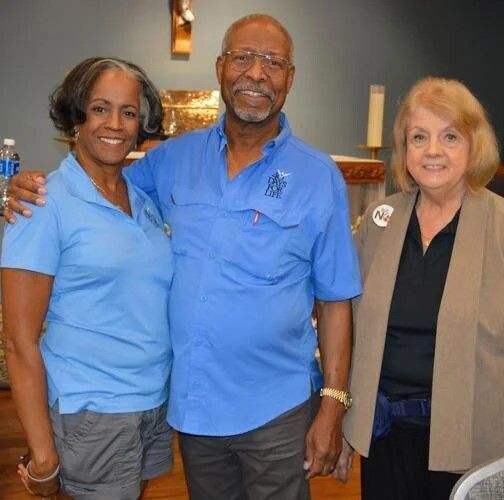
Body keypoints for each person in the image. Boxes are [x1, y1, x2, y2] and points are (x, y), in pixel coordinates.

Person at [5, 15, 362, 500]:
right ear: (220, 68)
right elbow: (98, 185)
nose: (256, 74)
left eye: (273, 62)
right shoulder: (173, 161)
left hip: (276, 409)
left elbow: (336, 298)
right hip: (193, 408)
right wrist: (25, 187)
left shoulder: (319, 178)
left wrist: (333, 405)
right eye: (242, 57)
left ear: (289, 78)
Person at [332, 76, 504, 499]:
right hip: (385, 436)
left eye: (450, 136)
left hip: (481, 447)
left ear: (474, 146)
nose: (433, 151)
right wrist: (345, 418)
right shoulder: (381, 220)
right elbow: (350, 326)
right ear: (404, 150)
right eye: (419, 137)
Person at [1, 57, 174, 499]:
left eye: (129, 112)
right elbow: (18, 342)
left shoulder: (141, 198)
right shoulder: (43, 203)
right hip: (92, 411)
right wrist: (43, 457)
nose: (114, 124)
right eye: (100, 108)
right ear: (76, 116)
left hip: (151, 401)